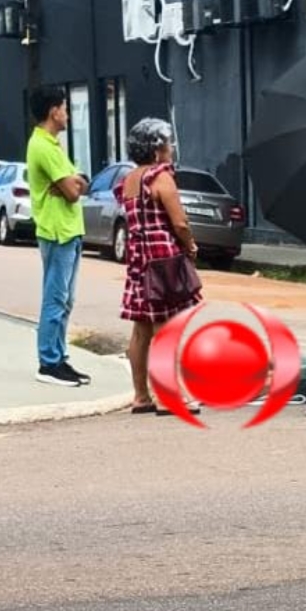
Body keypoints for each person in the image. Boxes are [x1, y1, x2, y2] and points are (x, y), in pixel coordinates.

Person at [113, 118, 203, 415]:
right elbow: (179, 221)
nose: (171, 149)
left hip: (138, 259)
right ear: (156, 150)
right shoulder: (161, 176)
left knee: (141, 329)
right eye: (167, 144)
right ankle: (168, 397)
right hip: (163, 258)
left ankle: (141, 396)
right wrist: (189, 245)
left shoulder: (129, 179)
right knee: (167, 328)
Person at [26, 85, 90, 387]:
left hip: (69, 230)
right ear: (54, 111)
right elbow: (73, 193)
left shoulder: (53, 146)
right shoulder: (42, 147)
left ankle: (60, 357)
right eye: (64, 108)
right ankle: (48, 362)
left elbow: (81, 185)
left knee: (66, 300)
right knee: (55, 298)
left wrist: (75, 182)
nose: (67, 114)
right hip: (56, 231)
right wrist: (72, 185)